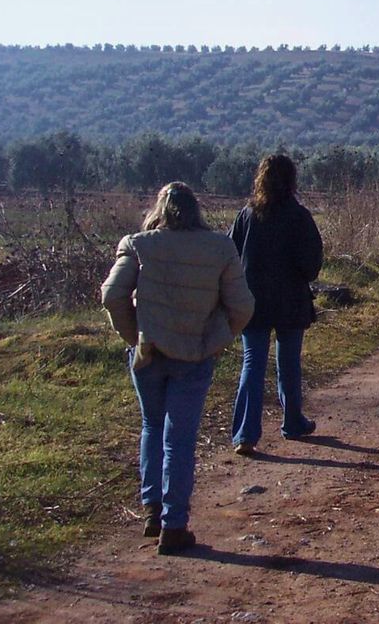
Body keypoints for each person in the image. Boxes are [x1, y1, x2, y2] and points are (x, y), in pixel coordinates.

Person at [101, 182, 254, 555]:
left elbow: (111, 294)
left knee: (152, 427)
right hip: (195, 355)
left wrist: (134, 334)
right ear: (196, 209)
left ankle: (152, 510)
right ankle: (174, 524)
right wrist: (217, 338)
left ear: (160, 209)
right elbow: (243, 306)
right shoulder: (220, 247)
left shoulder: (138, 245)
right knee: (180, 438)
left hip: (148, 353)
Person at [230, 153, 324, 457]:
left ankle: (246, 434)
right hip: (291, 302)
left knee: (252, 362)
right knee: (288, 364)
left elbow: (230, 254)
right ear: (292, 180)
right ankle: (293, 422)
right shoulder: (299, 217)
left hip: (252, 301)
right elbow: (311, 266)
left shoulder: (247, 215)